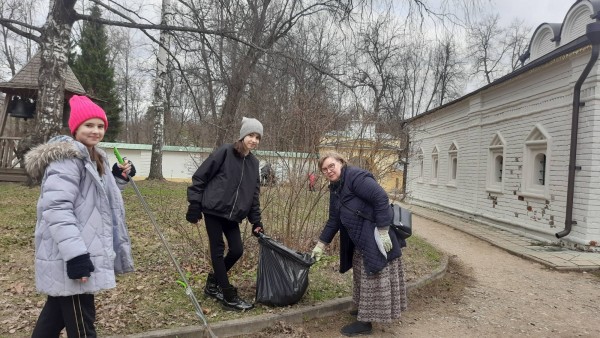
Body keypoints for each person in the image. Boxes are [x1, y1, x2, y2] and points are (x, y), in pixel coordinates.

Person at [25, 95, 136, 338]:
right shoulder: (67, 159)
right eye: (89, 125)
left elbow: (99, 198)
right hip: (72, 254)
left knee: (53, 318)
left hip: (81, 248)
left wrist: (118, 176)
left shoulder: (94, 156)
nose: (95, 131)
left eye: (100, 126)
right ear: (75, 128)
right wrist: (76, 256)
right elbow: (56, 209)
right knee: (82, 324)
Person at [311, 151, 408, 336]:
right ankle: (363, 309)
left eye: (332, 165)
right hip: (359, 239)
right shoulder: (335, 188)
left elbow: (381, 198)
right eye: (324, 169)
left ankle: (366, 322)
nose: (329, 171)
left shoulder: (356, 177)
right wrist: (321, 244)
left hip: (375, 236)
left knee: (372, 276)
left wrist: (383, 230)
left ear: (341, 162)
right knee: (360, 275)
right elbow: (334, 220)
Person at [186, 116, 265, 311]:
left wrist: (256, 221)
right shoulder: (226, 151)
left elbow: (253, 195)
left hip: (233, 215)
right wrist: (194, 204)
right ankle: (228, 295)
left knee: (237, 250)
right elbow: (200, 176)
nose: (253, 140)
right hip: (213, 209)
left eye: (257, 137)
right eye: (250, 135)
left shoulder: (254, 163)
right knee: (218, 249)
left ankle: (213, 282)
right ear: (242, 135)